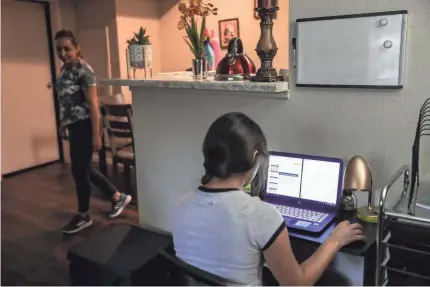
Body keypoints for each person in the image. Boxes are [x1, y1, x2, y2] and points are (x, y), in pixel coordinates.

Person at [171, 112, 365, 286]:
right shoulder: (262, 216)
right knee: (338, 282)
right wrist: (334, 241)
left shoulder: (181, 204)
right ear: (256, 157)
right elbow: (297, 284)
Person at [54, 29, 131, 234]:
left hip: (86, 124)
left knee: (79, 171)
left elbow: (94, 105)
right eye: (59, 49)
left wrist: (96, 134)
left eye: (67, 49)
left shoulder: (83, 70)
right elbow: (68, 102)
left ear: (76, 48)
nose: (62, 53)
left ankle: (84, 215)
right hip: (74, 124)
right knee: (83, 168)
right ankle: (116, 196)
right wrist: (64, 122)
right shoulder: (65, 70)